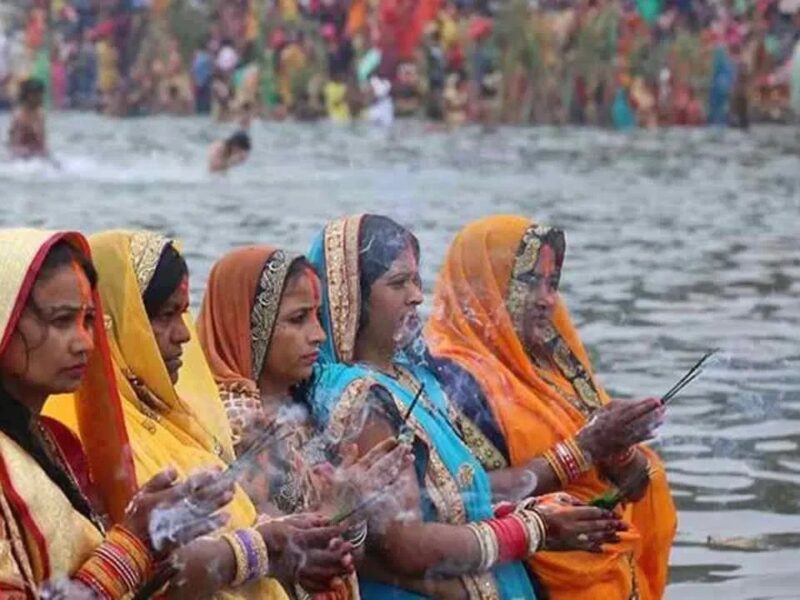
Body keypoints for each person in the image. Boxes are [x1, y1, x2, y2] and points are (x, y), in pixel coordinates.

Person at [307, 214, 634, 599]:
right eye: (397, 283)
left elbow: (453, 501)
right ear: (349, 298)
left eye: (416, 280)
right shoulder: (359, 397)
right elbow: (405, 546)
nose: (416, 295)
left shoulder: (413, 376)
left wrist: (531, 511)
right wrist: (535, 530)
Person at [45, 231, 354, 598]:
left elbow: (247, 536)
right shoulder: (82, 439)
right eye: (164, 317)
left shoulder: (177, 423)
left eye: (183, 313)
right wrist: (261, 548)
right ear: (111, 323)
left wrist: (315, 537)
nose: (184, 335)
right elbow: (150, 576)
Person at [425, 215, 677, 600]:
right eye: (529, 282)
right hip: (528, 572)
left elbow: (632, 480)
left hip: (609, 566)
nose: (546, 300)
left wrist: (623, 449)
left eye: (553, 284)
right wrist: (584, 450)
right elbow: (460, 497)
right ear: (483, 283)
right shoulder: (447, 377)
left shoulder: (551, 363)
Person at [0, 229, 231, 597]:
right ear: (5, 319)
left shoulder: (50, 441)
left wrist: (159, 541)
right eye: (61, 321)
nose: (85, 343)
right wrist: (135, 542)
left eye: (89, 321)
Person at [197, 246, 413, 599]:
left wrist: (354, 505)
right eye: (298, 319)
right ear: (249, 327)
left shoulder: (296, 408)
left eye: (317, 316)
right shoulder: (240, 424)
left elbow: (340, 556)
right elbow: (287, 558)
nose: (319, 335)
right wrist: (347, 505)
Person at [8, 78, 47, 158]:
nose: (40, 98)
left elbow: (42, 142)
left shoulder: (40, 114)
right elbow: (12, 144)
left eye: (41, 94)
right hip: (22, 158)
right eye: (37, 95)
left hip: (38, 156)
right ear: (28, 96)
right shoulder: (19, 116)